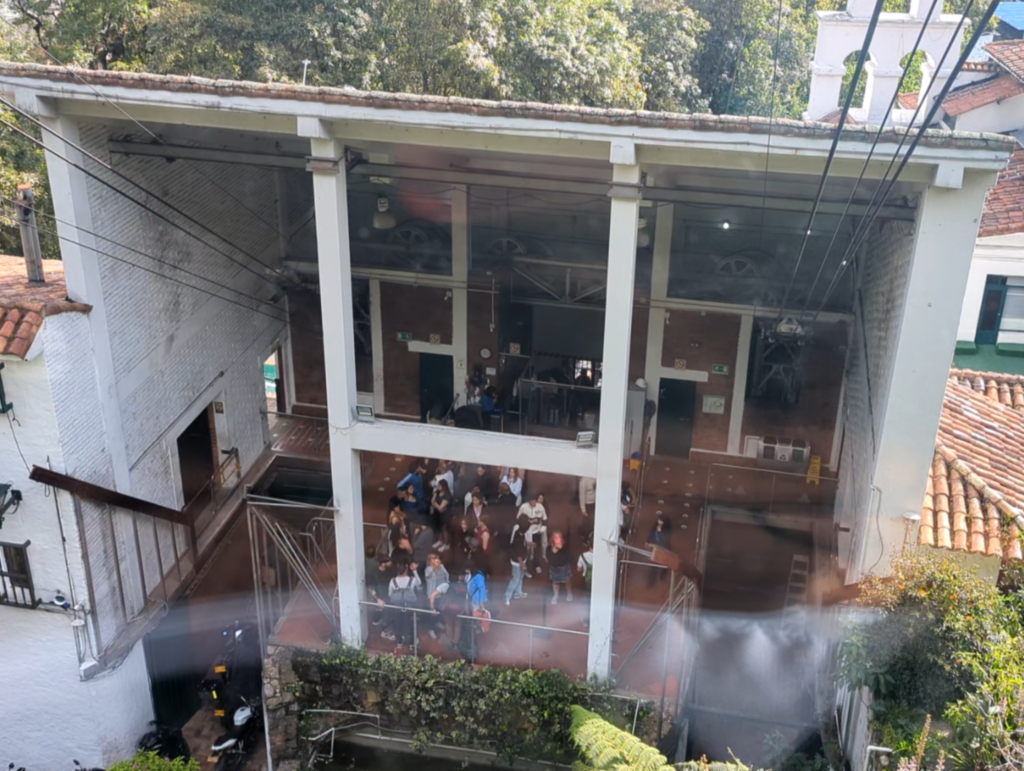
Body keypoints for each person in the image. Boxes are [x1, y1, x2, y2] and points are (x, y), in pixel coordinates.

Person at [387, 560, 422, 650]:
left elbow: (390, 594)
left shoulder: (392, 581)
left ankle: (399, 641)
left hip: (397, 606)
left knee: (397, 624)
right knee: (411, 623)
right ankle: (412, 642)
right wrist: (414, 571)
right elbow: (419, 584)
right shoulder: (412, 580)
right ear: (406, 570)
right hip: (410, 606)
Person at [518, 494, 548, 573]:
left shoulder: (540, 507)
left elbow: (545, 518)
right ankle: (525, 566)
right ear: (528, 501)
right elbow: (518, 519)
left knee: (536, 550)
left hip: (536, 532)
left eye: (535, 501)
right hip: (526, 532)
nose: (534, 503)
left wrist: (542, 528)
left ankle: (537, 565)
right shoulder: (523, 507)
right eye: (532, 501)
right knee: (526, 550)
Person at [424, 553, 450, 639]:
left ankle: (437, 622)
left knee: (440, 609)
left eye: (434, 558)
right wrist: (433, 566)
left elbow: (447, 575)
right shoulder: (428, 569)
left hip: (440, 592)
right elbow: (427, 575)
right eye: (431, 558)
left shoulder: (441, 567)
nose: (433, 559)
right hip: (432, 594)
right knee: (432, 612)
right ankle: (431, 629)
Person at [504, 524, 529, 606]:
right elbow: (518, 554)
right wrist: (523, 564)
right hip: (517, 562)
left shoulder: (521, 534)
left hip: (522, 560)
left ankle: (518, 593)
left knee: (520, 577)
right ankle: (507, 597)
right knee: (515, 579)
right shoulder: (517, 539)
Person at [645, 513, 672, 587]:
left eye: (661, 520)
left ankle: (663, 576)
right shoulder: (655, 526)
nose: (658, 521)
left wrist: (660, 532)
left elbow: (666, 540)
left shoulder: (667, 529)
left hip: (663, 548)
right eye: (659, 520)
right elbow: (651, 533)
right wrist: (648, 541)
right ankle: (651, 582)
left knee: (664, 563)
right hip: (655, 548)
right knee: (653, 565)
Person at [547, 530, 573, 605]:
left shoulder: (565, 547)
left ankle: (569, 592)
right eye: (555, 538)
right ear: (552, 539)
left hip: (564, 567)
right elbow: (548, 557)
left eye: (559, 537)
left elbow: (567, 557)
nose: (558, 539)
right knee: (555, 582)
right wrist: (555, 549)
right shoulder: (549, 548)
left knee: (567, 581)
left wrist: (560, 548)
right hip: (554, 568)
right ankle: (556, 595)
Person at [577, 536, 594, 627]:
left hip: (586, 581)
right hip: (597, 581)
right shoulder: (601, 556)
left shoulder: (583, 556)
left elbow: (579, 569)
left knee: (586, 601)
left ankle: (586, 621)